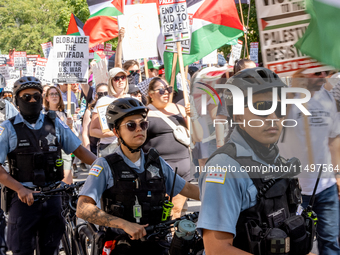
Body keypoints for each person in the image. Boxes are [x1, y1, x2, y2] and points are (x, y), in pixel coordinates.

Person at [197, 68, 313, 255]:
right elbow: (216, 249)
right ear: (238, 116)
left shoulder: (276, 158)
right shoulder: (224, 168)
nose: (273, 118)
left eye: (280, 109)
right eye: (262, 107)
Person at [76, 98, 200, 254]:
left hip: (158, 244)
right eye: (131, 125)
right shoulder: (105, 164)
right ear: (116, 131)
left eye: (143, 124)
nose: (139, 129)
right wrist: (124, 224)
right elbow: (82, 208)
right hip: (122, 246)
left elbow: (186, 188)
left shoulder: (156, 162)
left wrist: (220, 196)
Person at [0, 76, 97, 255]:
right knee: (22, 250)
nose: (32, 100)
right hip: (23, 200)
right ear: (16, 101)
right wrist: (20, 189)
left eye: (36, 96)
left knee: (51, 250)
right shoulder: (8, 128)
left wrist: (105, 164)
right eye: (26, 97)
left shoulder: (55, 124)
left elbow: (80, 151)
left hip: (53, 197)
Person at [278, 69, 340, 255]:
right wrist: (292, 94)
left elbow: (334, 140)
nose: (322, 77)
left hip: (325, 186)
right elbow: (273, 133)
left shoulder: (327, 98)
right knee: (296, 245)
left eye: (325, 72)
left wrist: (337, 174)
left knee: (330, 243)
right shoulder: (284, 99)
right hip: (294, 190)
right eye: (316, 73)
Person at [144, 78, 202, 218]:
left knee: (176, 210)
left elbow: (198, 135)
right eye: (161, 90)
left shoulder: (180, 108)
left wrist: (193, 117)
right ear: (151, 94)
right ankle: (164, 237)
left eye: (169, 89)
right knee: (162, 211)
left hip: (183, 167)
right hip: (158, 169)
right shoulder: (144, 113)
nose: (166, 93)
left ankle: (174, 238)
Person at [90, 67, 129, 157]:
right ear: (111, 81)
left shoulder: (132, 99)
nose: (120, 80)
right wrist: (113, 133)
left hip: (130, 144)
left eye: (122, 77)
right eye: (116, 78)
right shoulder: (103, 101)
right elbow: (92, 131)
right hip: (109, 146)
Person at [44, 86, 76, 184]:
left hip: (63, 150)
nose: (54, 96)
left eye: (56, 94)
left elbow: (72, 136)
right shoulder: (42, 114)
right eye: (51, 94)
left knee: (66, 180)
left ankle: (66, 198)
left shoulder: (66, 114)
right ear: (47, 98)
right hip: (48, 150)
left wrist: (70, 126)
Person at [82, 83, 108, 155]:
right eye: (100, 94)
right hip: (94, 150)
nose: (103, 96)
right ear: (96, 95)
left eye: (106, 93)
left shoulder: (115, 109)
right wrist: (88, 153)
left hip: (111, 147)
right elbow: (85, 134)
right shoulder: (90, 110)